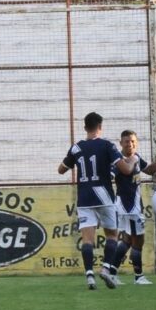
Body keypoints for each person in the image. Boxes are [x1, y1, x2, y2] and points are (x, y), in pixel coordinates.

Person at [58, 112, 136, 290]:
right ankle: (106, 269)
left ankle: (90, 277)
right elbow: (124, 170)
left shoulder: (76, 148)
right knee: (112, 235)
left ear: (85, 128)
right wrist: (131, 161)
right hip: (104, 197)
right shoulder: (107, 145)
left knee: (87, 240)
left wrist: (71, 162)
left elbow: (61, 169)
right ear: (100, 127)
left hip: (85, 199)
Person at [108, 130, 156, 285]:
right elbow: (109, 177)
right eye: (126, 141)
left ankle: (111, 273)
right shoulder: (118, 161)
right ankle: (139, 277)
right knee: (138, 240)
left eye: (132, 141)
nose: (130, 144)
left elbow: (150, 170)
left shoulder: (136, 158)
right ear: (121, 143)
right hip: (129, 207)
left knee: (127, 241)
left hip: (133, 206)